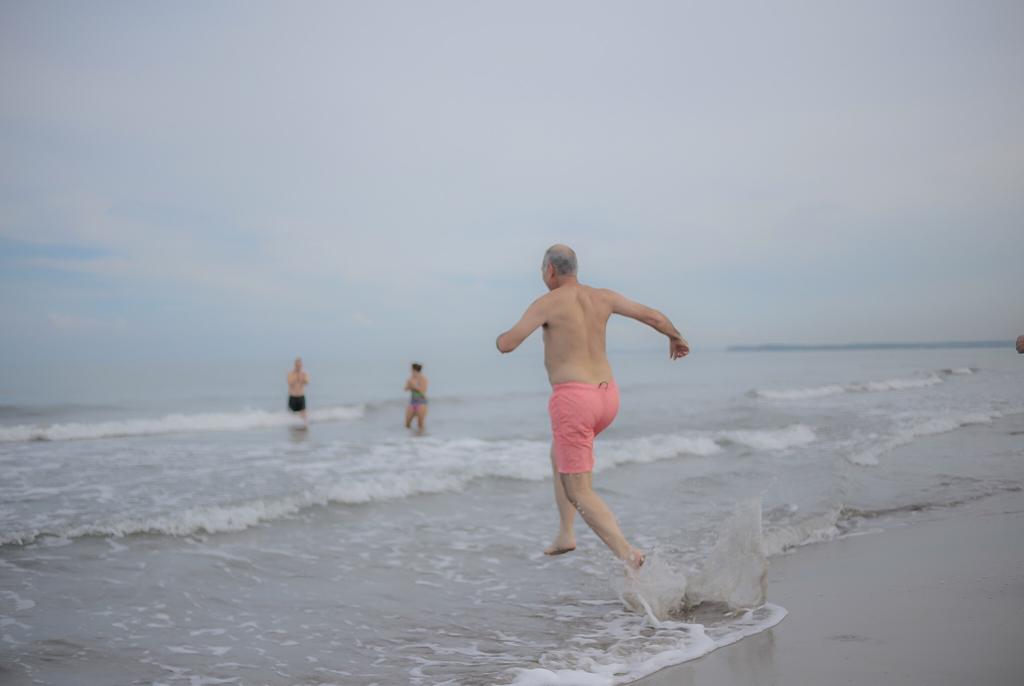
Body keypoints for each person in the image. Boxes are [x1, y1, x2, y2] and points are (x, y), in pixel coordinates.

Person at [496, 245, 689, 569]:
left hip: (574, 401)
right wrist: (675, 336)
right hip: (607, 397)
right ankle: (566, 533)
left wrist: (499, 338)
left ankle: (629, 555)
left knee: (579, 490)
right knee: (558, 454)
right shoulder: (603, 296)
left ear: (550, 271)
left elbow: (509, 343)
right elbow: (653, 316)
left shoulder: (546, 303)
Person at [404, 362, 429, 433]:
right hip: (412, 402)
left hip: (422, 402)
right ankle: (410, 439)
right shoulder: (411, 378)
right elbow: (405, 389)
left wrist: (414, 385)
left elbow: (422, 392)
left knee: (420, 424)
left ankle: (421, 440)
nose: (411, 371)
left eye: (411, 369)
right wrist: (409, 384)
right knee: (407, 424)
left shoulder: (423, 379)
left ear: (414, 369)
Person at [287, 357, 310, 423]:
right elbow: (289, 382)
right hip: (293, 396)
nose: (298, 367)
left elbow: (307, 382)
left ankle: (303, 427)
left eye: (299, 365)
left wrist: (301, 377)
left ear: (301, 365)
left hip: (301, 396)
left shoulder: (304, 373)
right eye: (297, 365)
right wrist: (296, 377)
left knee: (303, 414)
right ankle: (293, 429)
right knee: (291, 415)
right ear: (295, 365)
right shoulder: (290, 374)